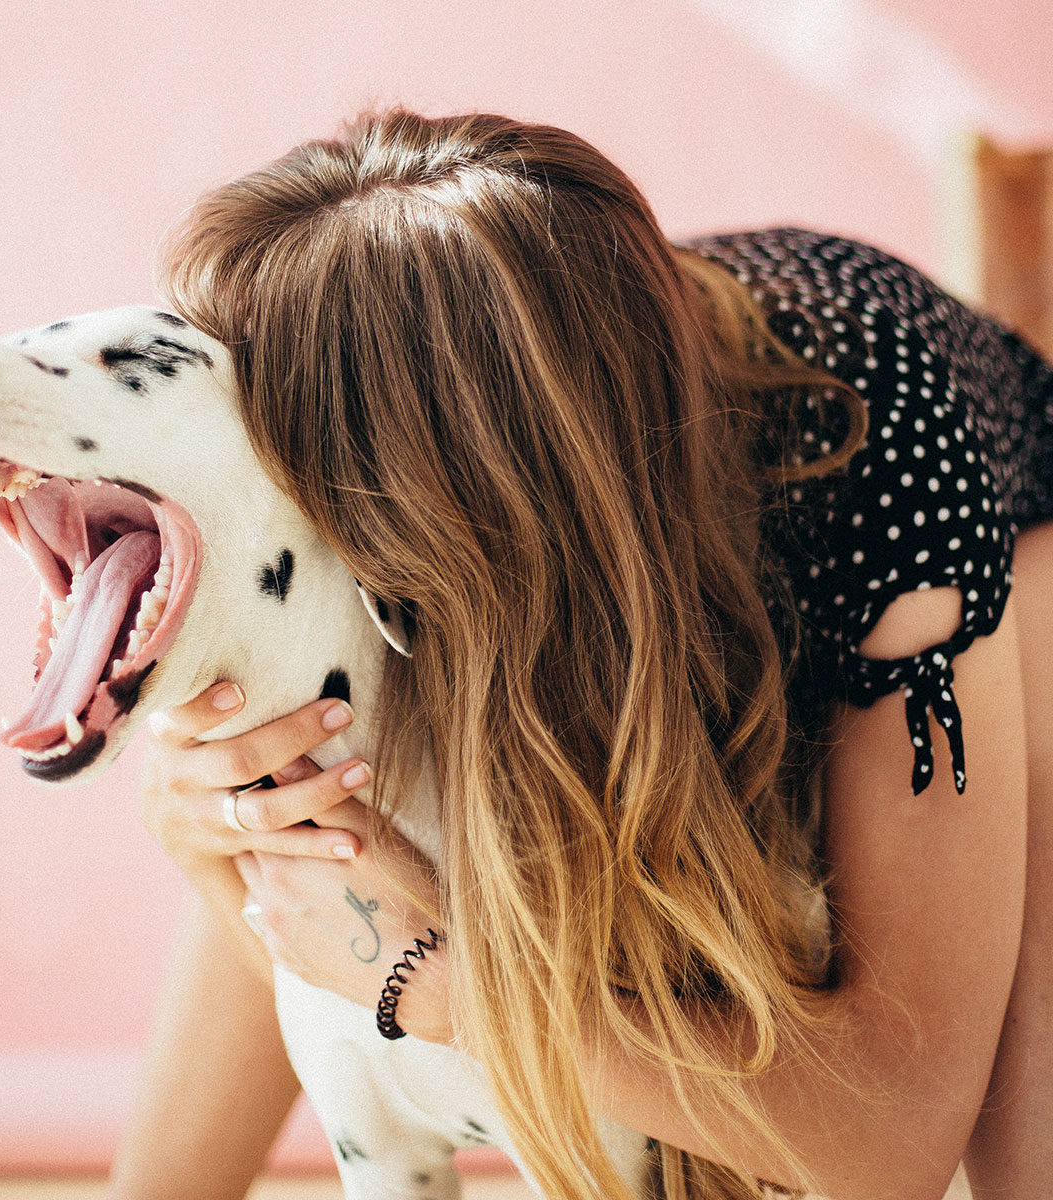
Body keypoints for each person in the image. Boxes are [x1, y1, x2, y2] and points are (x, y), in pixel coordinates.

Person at [107, 110, 1052, 1200]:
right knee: (308, 800)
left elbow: (896, 1146)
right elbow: (309, 913)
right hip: (612, 525)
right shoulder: (496, 442)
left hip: (977, 533)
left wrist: (435, 981)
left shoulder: (891, 477)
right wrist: (212, 826)